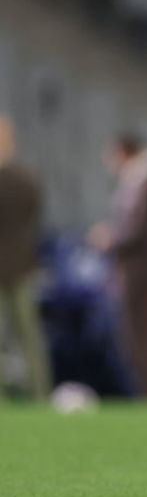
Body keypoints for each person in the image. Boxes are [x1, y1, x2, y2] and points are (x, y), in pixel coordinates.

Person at [88, 132, 147, 398]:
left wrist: (110, 240)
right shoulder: (140, 182)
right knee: (134, 341)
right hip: (132, 270)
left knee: (141, 340)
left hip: (140, 272)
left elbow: (141, 231)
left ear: (125, 152)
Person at [0, 116, 51, 400]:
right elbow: (35, 216)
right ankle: (40, 393)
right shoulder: (27, 179)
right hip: (22, 265)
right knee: (30, 338)